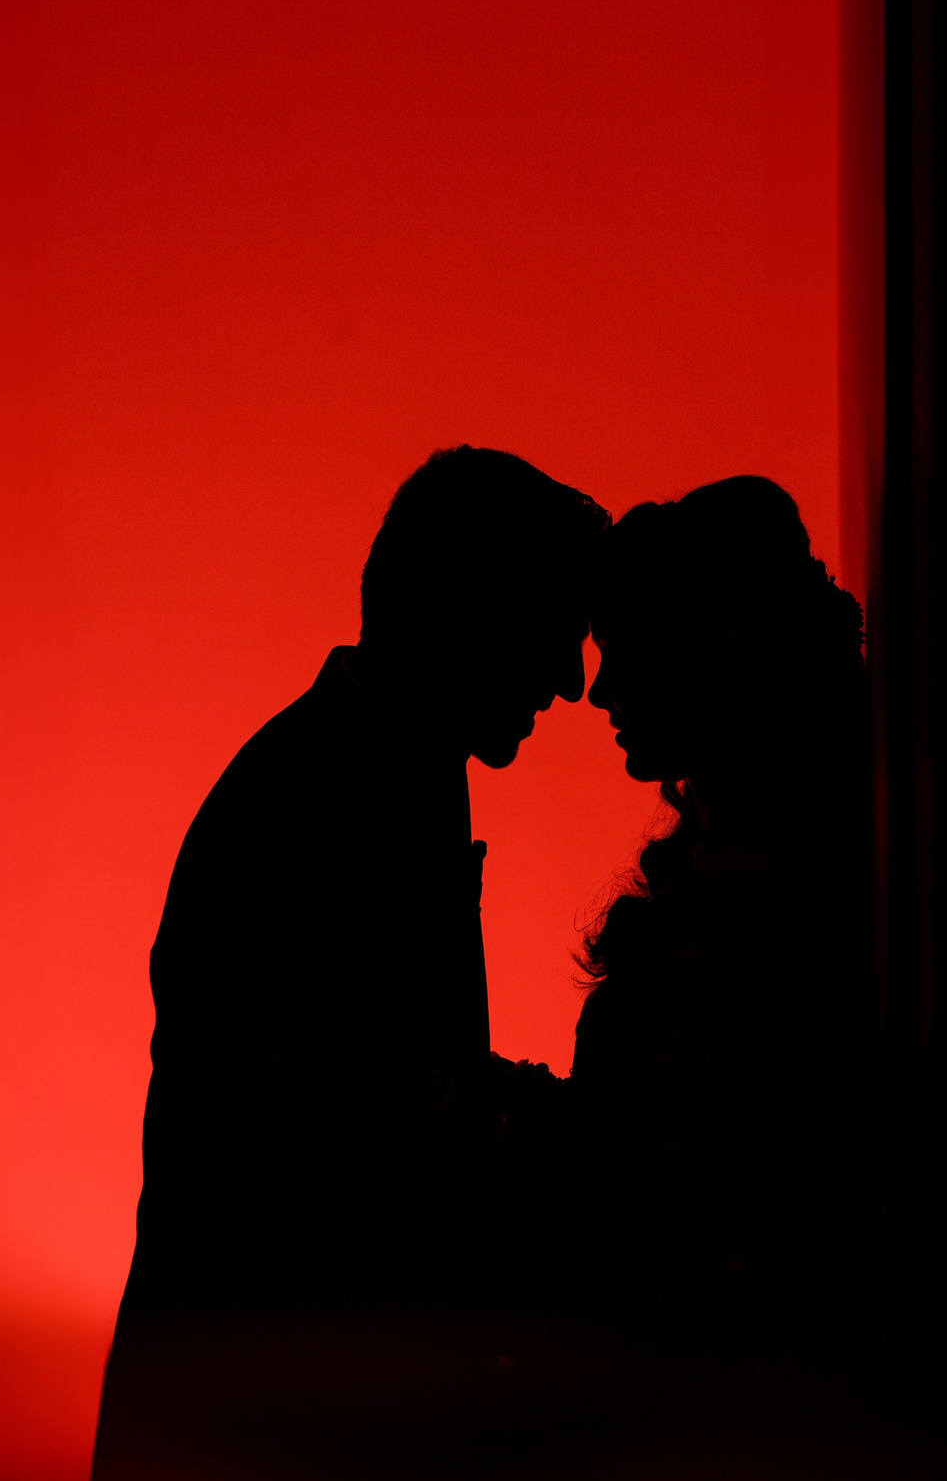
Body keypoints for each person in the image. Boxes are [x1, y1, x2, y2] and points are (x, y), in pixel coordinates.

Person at [93, 446, 608, 1471]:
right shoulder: (315, 794)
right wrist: (545, 1144)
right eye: (550, 625)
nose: (569, 679)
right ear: (465, 608)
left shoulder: (376, 771)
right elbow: (333, 1091)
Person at [564, 476, 876, 1347]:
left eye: (623, 650)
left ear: (719, 645)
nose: (599, 690)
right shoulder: (744, 867)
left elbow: (663, 1192)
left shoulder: (759, 916)